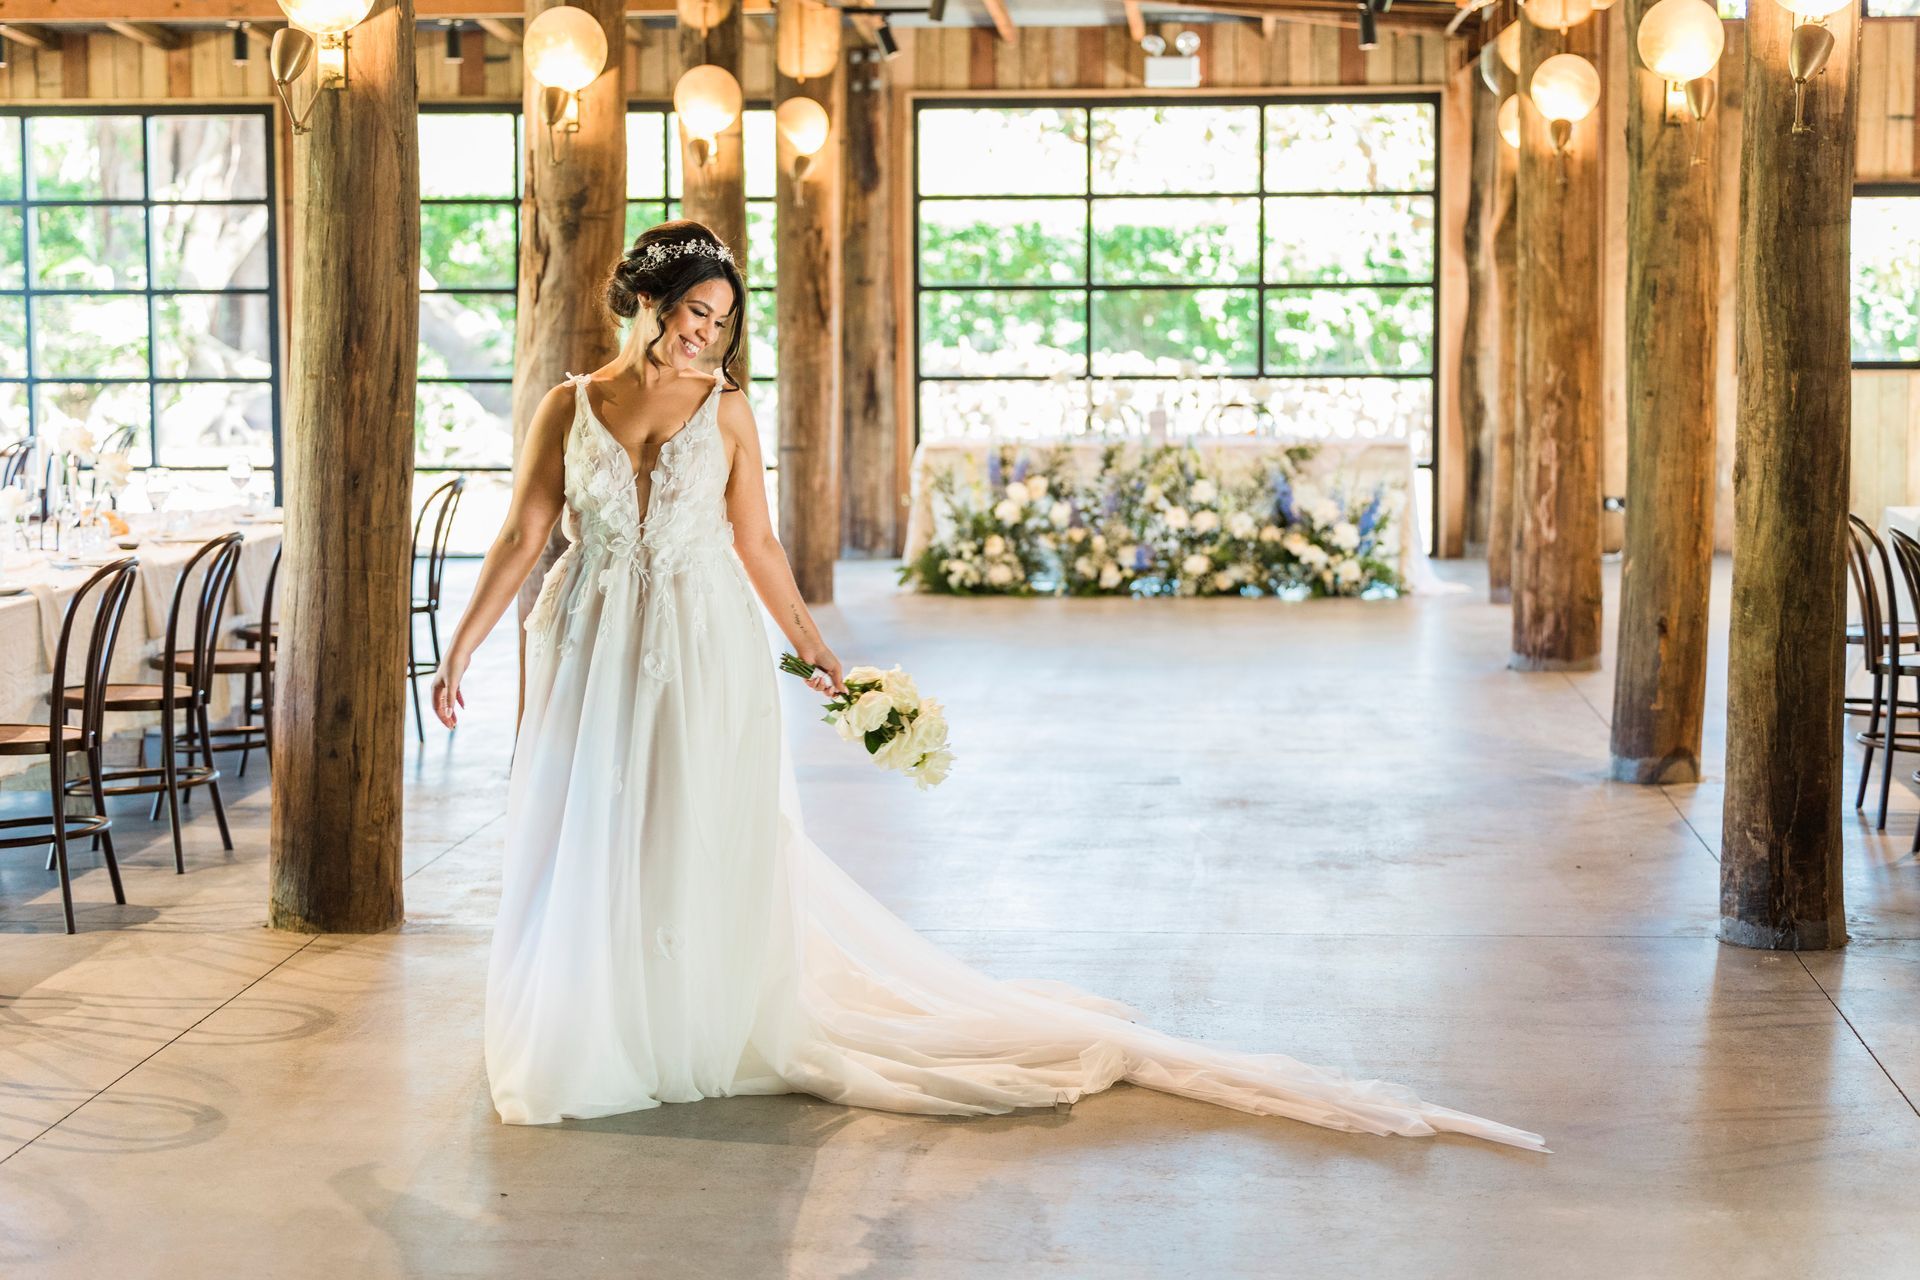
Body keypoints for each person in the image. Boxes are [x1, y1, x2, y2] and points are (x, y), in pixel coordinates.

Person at [430, 220, 1547, 1151]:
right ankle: (595, 1017)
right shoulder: (566, 405)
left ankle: (687, 1024)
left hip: (704, 640)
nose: (707, 336)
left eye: (723, 320)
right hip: (588, 639)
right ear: (645, 303)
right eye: (692, 315)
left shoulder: (727, 411)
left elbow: (758, 546)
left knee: (694, 829)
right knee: (591, 824)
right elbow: (527, 531)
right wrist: (464, 645)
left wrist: (819, 649)